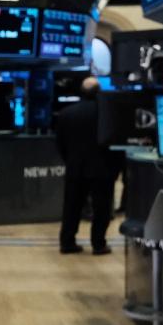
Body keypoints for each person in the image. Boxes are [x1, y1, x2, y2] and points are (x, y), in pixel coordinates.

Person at [54, 77, 116, 255]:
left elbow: (60, 143)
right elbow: (114, 144)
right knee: (101, 209)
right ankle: (98, 244)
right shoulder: (107, 114)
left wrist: (70, 160)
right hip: (102, 170)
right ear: (99, 92)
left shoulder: (66, 113)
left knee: (71, 207)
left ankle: (67, 242)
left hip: (75, 168)